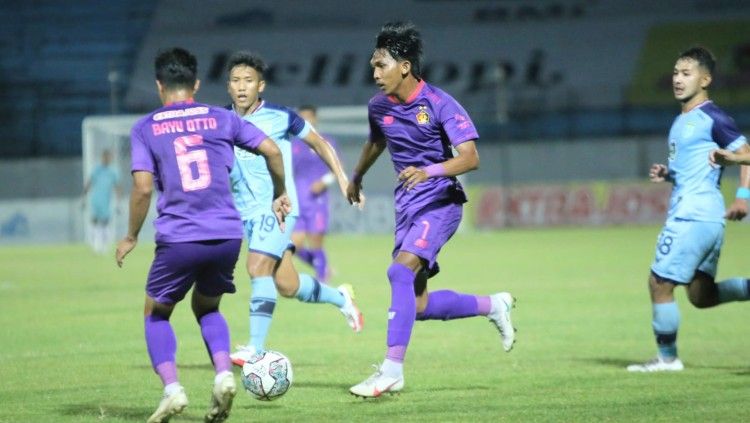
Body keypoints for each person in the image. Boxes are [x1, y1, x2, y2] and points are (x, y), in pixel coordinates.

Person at [115, 47, 290, 423]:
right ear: (195, 84)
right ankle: (225, 375)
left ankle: (173, 390)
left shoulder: (146, 128)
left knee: (156, 314)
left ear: (159, 85)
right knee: (207, 307)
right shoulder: (220, 118)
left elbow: (143, 188)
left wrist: (130, 235)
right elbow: (272, 151)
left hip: (179, 237)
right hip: (226, 235)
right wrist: (280, 192)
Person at [346, 21, 516, 398]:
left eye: (381, 65)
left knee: (398, 271)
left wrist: (429, 171)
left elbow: (470, 158)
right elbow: (377, 141)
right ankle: (493, 305)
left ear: (404, 66)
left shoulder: (440, 103)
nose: (374, 74)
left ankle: (391, 370)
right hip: (407, 204)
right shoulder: (378, 106)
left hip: (440, 201)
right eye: (373, 67)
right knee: (417, 303)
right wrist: (355, 176)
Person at [224, 51, 365, 366]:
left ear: (261, 85)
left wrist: (343, 179)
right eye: (236, 81)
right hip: (246, 215)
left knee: (256, 267)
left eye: (249, 80)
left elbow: (319, 142)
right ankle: (341, 298)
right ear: (228, 86)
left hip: (280, 208)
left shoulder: (280, 116)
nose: (242, 87)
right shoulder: (222, 121)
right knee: (287, 285)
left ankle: (256, 350)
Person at [627, 46, 750, 373]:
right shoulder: (681, 121)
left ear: (705, 79)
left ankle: (667, 359)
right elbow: (695, 168)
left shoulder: (713, 117)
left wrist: (742, 197)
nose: (678, 80)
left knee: (659, 283)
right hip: (706, 218)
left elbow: (746, 153)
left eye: (686, 73)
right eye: (675, 73)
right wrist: (670, 175)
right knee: (701, 295)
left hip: (692, 216)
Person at [291, 105, 338, 282]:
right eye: (303, 119)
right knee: (294, 245)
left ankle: (322, 278)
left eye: (309, 118)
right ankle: (324, 268)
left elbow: (336, 169)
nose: (307, 122)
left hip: (317, 200)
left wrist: (323, 181)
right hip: (297, 199)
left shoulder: (326, 141)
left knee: (316, 241)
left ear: (315, 119)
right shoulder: (293, 145)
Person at [83, 149, 120, 254]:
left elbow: (117, 187)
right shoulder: (96, 169)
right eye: (105, 157)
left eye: (109, 157)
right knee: (94, 220)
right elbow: (89, 183)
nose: (107, 159)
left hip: (106, 200)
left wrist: (118, 202)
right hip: (95, 199)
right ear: (102, 158)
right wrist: (84, 198)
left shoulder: (113, 171)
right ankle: (95, 244)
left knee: (105, 222)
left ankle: (104, 245)